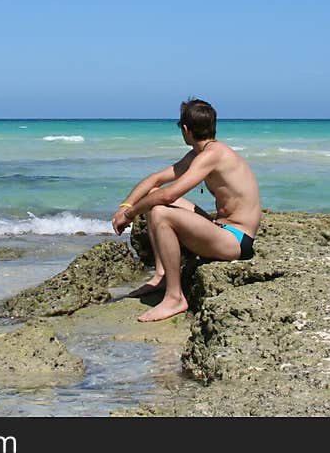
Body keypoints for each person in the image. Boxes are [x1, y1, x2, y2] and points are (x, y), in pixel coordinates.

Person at [111, 98, 262, 322]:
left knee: (160, 210)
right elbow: (156, 180)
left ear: (185, 129)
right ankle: (162, 276)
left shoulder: (213, 156)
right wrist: (125, 207)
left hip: (237, 240)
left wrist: (130, 216)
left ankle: (175, 297)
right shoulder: (201, 154)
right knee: (154, 200)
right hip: (220, 229)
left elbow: (169, 194)